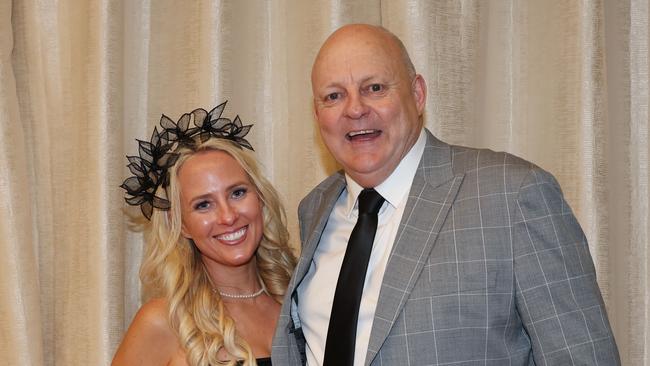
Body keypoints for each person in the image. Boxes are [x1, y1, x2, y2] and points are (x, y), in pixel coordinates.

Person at [272, 24, 620, 365]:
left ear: (418, 94)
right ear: (318, 114)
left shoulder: (513, 195)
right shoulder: (315, 208)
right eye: (334, 96)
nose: (355, 109)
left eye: (374, 88)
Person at [113, 102, 296, 366]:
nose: (228, 216)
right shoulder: (164, 321)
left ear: (260, 199)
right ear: (182, 224)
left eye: (237, 193)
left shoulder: (298, 305)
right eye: (203, 205)